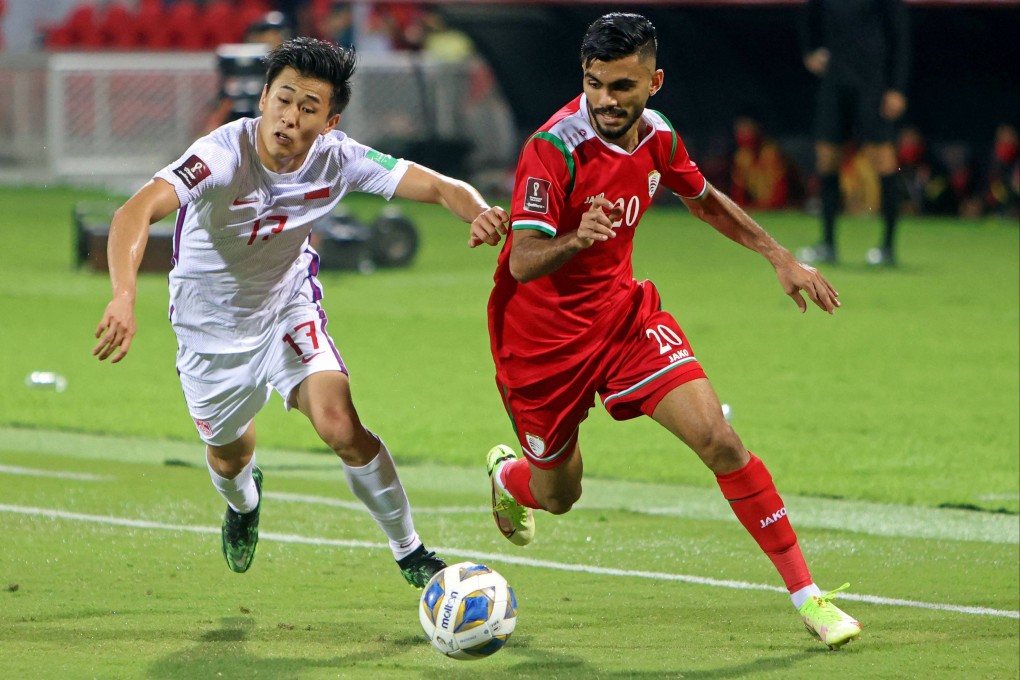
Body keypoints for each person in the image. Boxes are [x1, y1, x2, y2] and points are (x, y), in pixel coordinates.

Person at [483, 13, 862, 649]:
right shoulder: (552, 149)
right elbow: (521, 260)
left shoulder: (658, 137)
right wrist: (582, 236)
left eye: (622, 87)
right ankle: (508, 478)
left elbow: (704, 198)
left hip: (624, 319)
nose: (605, 100)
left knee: (719, 438)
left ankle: (809, 597)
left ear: (654, 82)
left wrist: (779, 256)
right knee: (558, 494)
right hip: (542, 345)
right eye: (596, 84)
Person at [92, 37, 508, 587]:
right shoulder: (219, 154)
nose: (289, 117)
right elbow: (135, 211)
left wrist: (477, 212)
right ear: (263, 98)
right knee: (230, 458)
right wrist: (123, 296)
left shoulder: (340, 158)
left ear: (329, 121)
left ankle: (410, 550)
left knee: (341, 425)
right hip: (210, 328)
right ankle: (243, 506)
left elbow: (436, 184)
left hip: (288, 306)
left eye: (308, 108)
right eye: (283, 99)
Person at [798, 0, 910, 266]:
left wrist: (897, 87)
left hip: (872, 83)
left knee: (883, 160)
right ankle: (827, 244)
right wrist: (810, 51)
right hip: (836, 82)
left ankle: (888, 247)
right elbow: (806, 16)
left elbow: (901, 37)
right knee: (827, 159)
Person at [729, 113, 797, 211]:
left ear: (758, 128)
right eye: (739, 130)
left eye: (747, 129)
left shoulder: (772, 153)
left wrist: (757, 207)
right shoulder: (742, 157)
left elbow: (781, 193)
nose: (742, 134)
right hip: (760, 208)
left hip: (787, 209)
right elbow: (738, 194)